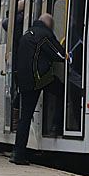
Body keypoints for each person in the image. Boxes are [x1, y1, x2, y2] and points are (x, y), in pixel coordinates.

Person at [10, 13, 66, 165]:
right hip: (39, 79)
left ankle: (17, 153)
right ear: (50, 25)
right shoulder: (45, 35)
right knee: (63, 92)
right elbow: (60, 55)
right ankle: (56, 125)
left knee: (25, 117)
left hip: (23, 81)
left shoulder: (27, 34)